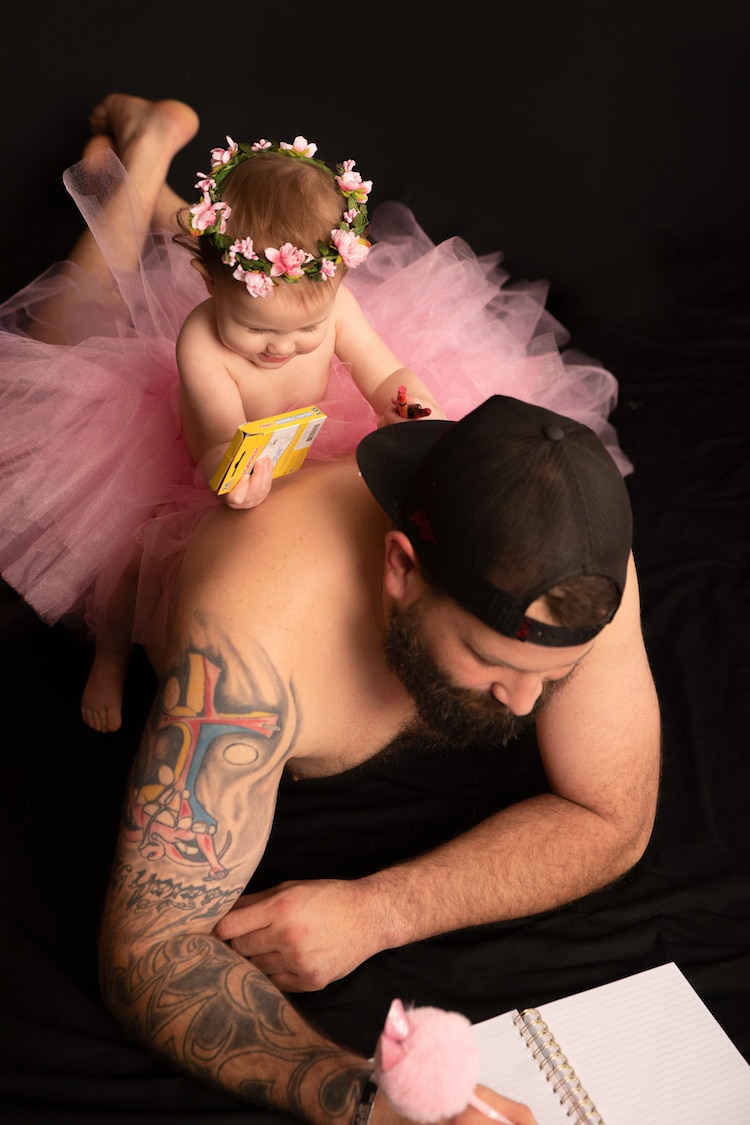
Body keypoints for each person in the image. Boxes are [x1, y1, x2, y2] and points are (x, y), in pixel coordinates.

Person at [98, 394, 661, 1125]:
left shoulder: (580, 558)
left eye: (557, 676)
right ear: (401, 567)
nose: (526, 705)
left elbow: (613, 813)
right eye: (489, 660)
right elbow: (148, 947)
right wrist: (371, 1104)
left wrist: (379, 911)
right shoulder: (250, 645)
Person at [0, 94, 631, 739]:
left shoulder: (333, 308)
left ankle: (153, 176)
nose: (283, 348)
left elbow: (382, 372)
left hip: (312, 435)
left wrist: (405, 405)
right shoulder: (200, 341)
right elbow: (219, 436)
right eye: (255, 329)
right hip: (220, 459)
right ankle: (107, 661)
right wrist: (235, 472)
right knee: (130, 564)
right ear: (210, 286)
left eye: (308, 327)